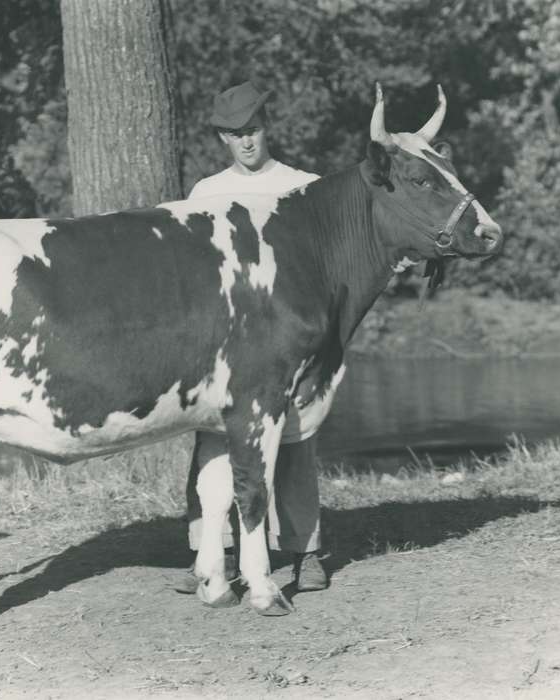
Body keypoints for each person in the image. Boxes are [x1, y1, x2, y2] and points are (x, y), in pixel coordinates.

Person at [176, 81, 328, 594]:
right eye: (235, 134)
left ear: (268, 128)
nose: (246, 143)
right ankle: (207, 550)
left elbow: (325, 266)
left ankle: (305, 552)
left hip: (287, 335)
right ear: (222, 137)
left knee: (294, 439)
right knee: (213, 437)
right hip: (223, 340)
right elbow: (188, 272)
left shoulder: (304, 186)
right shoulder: (205, 193)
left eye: (253, 130)